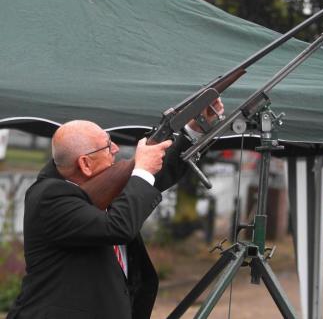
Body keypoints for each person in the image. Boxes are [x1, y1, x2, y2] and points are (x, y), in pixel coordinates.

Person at [7, 99, 223, 319]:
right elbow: (117, 227)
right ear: (85, 164)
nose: (116, 149)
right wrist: (141, 170)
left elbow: (156, 176)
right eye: (108, 145)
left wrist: (195, 129)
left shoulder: (101, 184)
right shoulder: (49, 196)